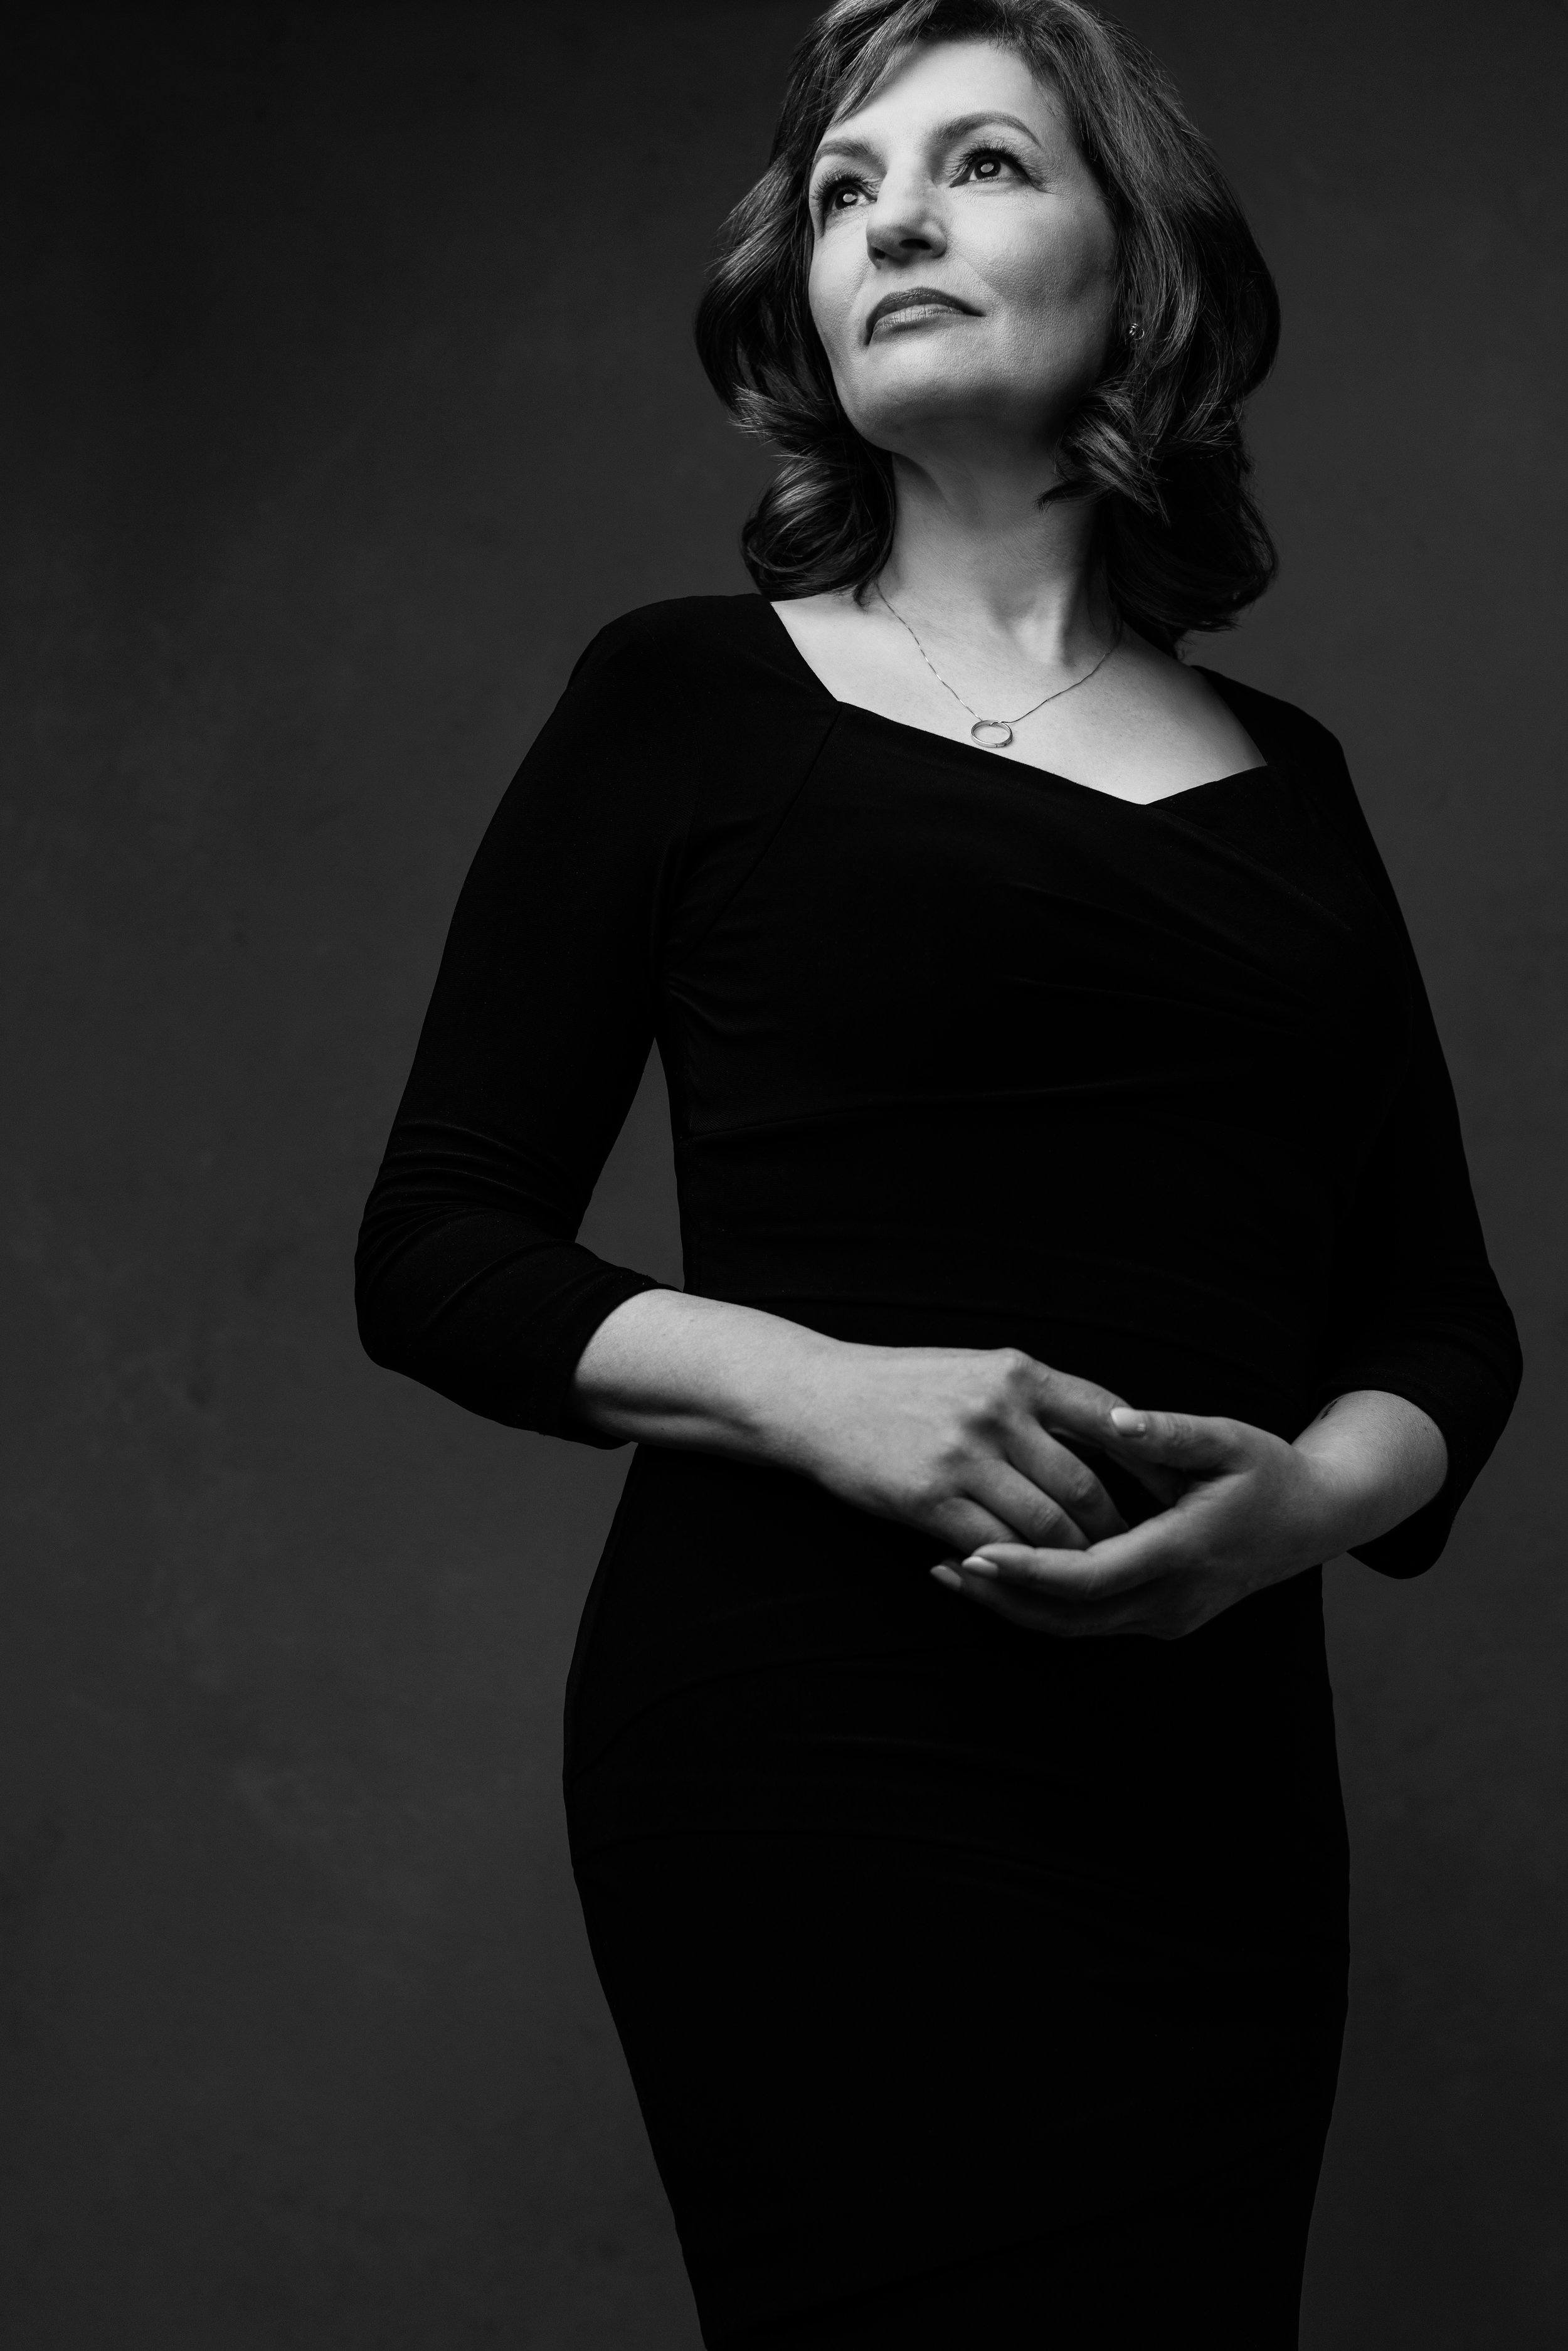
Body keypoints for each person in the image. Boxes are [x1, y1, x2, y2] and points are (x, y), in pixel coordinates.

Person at [355, 0, 1521, 2340]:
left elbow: (1440, 1328)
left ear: (1140, 257)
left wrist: (1290, 1511)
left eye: (976, 162)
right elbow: (435, 1245)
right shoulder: (683, 694)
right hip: (802, 1752)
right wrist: (827, 1393)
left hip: (1209, 1782)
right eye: (842, 187)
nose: (884, 212)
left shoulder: (1288, 780)